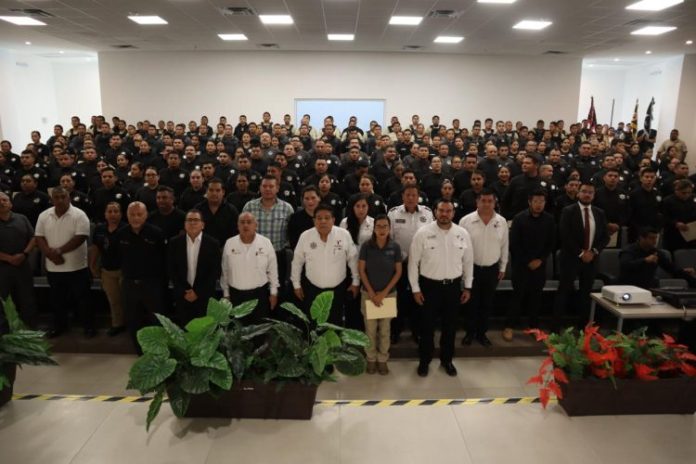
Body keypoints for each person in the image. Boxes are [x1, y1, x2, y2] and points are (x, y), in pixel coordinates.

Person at [409, 199, 473, 377]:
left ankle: (447, 360)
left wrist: (468, 287)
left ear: (453, 213)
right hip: (429, 287)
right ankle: (424, 360)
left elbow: (468, 262)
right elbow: (413, 263)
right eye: (441, 210)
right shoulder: (423, 233)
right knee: (426, 327)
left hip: (453, 287)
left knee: (450, 327)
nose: (444, 214)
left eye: (448, 211)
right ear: (435, 212)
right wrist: (415, 289)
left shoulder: (462, 233)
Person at [35, 187, 94, 338]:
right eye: (57, 197)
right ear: (51, 199)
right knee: (57, 300)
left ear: (69, 198)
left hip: (77, 266)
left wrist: (59, 251)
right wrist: (50, 253)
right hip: (53, 267)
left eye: (63, 197)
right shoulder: (44, 215)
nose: (60, 200)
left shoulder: (79, 215)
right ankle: (60, 326)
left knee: (83, 300)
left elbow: (80, 237)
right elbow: (39, 237)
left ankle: (88, 327)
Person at [291, 204, 359, 326]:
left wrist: (355, 282)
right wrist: (296, 284)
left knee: (335, 323)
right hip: (312, 288)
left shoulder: (344, 234)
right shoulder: (305, 236)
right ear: (314, 220)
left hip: (337, 289)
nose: (323, 221)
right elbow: (297, 262)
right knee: (314, 324)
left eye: (327, 218)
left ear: (333, 220)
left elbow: (353, 259)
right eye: (319, 218)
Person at [554, 182, 609, 329]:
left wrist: (593, 252)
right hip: (570, 258)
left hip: (591, 259)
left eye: (590, 192)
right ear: (578, 193)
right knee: (564, 291)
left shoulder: (599, 213)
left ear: (594, 195)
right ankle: (556, 326)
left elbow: (605, 237)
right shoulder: (568, 211)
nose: (587, 194)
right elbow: (564, 234)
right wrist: (581, 253)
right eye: (584, 191)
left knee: (586, 293)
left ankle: (583, 327)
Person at [503, 190, 556, 341]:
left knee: (536, 298)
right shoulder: (519, 218)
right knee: (517, 296)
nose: (539, 205)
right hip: (521, 265)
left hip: (540, 265)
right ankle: (509, 326)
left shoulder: (549, 219)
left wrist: (540, 259)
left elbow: (551, 243)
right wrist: (527, 261)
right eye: (536, 201)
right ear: (530, 202)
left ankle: (534, 327)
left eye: (542, 202)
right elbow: (514, 244)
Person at [459, 189, 508, 347]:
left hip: (492, 270)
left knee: (487, 303)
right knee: (471, 303)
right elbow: (459, 246)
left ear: (495, 203)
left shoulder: (501, 222)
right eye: (483, 201)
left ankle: (482, 333)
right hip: (471, 269)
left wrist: (503, 266)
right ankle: (469, 333)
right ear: (477, 202)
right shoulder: (466, 221)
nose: (486, 204)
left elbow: (504, 245)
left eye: (490, 201)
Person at [116, 202, 167, 352]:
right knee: (133, 320)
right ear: (127, 216)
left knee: (157, 320)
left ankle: (159, 351)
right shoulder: (121, 234)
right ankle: (139, 351)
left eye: (139, 214)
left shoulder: (156, 233)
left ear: (146, 215)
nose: (136, 218)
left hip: (152, 284)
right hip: (129, 284)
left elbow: (164, 259)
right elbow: (117, 257)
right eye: (132, 214)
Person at [387, 185, 433, 344]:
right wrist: (401, 256)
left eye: (414, 195)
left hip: (421, 265)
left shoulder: (427, 213)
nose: (411, 198)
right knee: (397, 298)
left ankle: (416, 331)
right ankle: (395, 331)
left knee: (418, 298)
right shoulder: (393, 213)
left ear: (418, 196)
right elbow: (389, 239)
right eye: (408, 195)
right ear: (403, 196)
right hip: (400, 264)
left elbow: (431, 236)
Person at [358, 214, 402, 375]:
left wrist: (383, 294)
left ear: (389, 228)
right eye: (379, 226)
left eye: (385, 226)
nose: (382, 229)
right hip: (368, 294)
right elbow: (361, 270)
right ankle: (370, 359)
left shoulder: (395, 247)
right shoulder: (366, 246)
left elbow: (398, 272)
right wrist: (371, 292)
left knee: (385, 330)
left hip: (388, 295)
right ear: (374, 228)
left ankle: (382, 359)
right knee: (370, 330)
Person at [221, 212, 279, 324]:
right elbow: (225, 271)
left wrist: (273, 292)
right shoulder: (229, 243)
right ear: (238, 226)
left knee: (259, 330)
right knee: (238, 330)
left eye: (249, 222)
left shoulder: (266, 242)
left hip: (259, 295)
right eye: (242, 222)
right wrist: (226, 294)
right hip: (236, 296)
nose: (245, 225)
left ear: (256, 225)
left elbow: (273, 270)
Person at [168, 209, 221, 325]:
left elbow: (215, 271)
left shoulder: (213, 244)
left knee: (204, 330)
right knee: (184, 329)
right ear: (185, 224)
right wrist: (184, 291)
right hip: (183, 296)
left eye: (196, 220)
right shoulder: (174, 243)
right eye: (189, 220)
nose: (192, 223)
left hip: (204, 297)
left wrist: (198, 292)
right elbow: (172, 269)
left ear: (203, 225)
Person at [242, 175, 294, 287]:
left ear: (277, 188)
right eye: (264, 186)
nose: (267, 189)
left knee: (277, 288)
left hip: (278, 255)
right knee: (254, 287)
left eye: (271, 186)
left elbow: (290, 233)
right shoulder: (249, 207)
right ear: (260, 188)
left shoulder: (287, 208)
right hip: (254, 254)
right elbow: (243, 230)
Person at [0, 192, 37, 331]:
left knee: (27, 298)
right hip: (2, 267)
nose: (2, 203)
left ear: (10, 203)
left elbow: (33, 238)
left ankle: (29, 331)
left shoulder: (22, 218)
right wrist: (9, 258)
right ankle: (4, 332)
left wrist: (24, 254)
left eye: (4, 200)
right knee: (3, 301)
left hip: (23, 265)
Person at [89, 202, 126, 336]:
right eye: (109, 211)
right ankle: (117, 324)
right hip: (107, 270)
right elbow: (95, 248)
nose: (112, 214)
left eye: (116, 211)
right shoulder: (99, 229)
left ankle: (132, 324)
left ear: (121, 214)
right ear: (105, 214)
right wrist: (92, 265)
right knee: (113, 300)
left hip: (124, 271)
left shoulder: (126, 229)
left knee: (127, 299)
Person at [619, 226, 696, 289]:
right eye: (651, 238)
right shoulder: (629, 250)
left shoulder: (655, 252)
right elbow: (625, 265)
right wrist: (645, 260)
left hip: (648, 285)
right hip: (629, 285)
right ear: (641, 238)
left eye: (656, 238)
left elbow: (670, 268)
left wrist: (683, 272)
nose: (654, 241)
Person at [340, 194, 375, 330]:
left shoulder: (373, 223)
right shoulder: (345, 223)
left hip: (369, 268)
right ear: (352, 207)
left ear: (368, 207)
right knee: (352, 303)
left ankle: (369, 332)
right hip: (350, 268)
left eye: (364, 206)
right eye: (358, 206)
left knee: (369, 301)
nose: (361, 209)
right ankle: (353, 331)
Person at [195, 178, 239, 247]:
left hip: (226, 249)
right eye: (211, 190)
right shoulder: (198, 210)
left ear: (223, 192)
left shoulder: (232, 211)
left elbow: (235, 235)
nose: (214, 193)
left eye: (218, 190)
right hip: (202, 248)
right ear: (206, 192)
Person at [287, 185, 320, 249]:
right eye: (307, 198)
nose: (310, 201)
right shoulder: (295, 218)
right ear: (303, 200)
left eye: (313, 198)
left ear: (319, 198)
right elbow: (293, 242)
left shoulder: (326, 217)